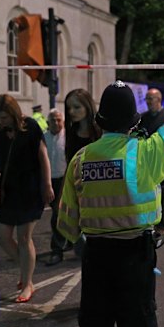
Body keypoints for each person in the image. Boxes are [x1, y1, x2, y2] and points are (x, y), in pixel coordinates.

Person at [57, 62, 164, 327]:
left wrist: (79, 238)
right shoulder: (146, 152)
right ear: (133, 123)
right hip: (136, 257)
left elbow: (66, 219)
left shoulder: (81, 158)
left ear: (100, 122)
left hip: (96, 258)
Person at [0, 94, 54, 303]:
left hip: (29, 189)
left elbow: (42, 156)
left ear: (14, 113)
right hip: (7, 191)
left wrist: (47, 184)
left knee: (25, 236)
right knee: (2, 236)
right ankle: (26, 268)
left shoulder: (31, 127)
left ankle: (27, 283)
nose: (1, 121)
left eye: (4, 117)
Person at [63, 88, 102, 256]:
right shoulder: (71, 133)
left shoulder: (101, 131)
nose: (71, 111)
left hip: (100, 190)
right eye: (69, 107)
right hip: (79, 190)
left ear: (87, 107)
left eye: (76, 107)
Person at [139, 88, 164, 234]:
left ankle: (161, 223)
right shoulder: (143, 118)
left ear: (159, 99)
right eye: (147, 99)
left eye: (151, 99)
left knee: (162, 191)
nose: (149, 102)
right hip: (147, 161)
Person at [44, 108, 70, 266]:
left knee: (57, 215)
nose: (56, 123)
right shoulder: (43, 138)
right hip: (48, 181)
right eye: (53, 120)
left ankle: (57, 249)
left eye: (59, 119)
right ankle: (63, 245)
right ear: (48, 122)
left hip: (65, 180)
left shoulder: (68, 138)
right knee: (57, 214)